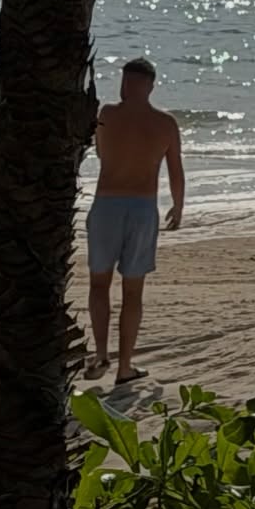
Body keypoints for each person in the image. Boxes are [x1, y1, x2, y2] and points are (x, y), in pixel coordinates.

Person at [84, 57, 185, 385]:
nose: (123, 87)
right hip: (142, 208)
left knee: (99, 284)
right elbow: (175, 169)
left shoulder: (108, 115)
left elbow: (100, 153)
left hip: (106, 206)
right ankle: (124, 366)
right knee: (133, 290)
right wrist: (178, 207)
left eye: (125, 82)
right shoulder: (165, 123)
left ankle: (102, 353)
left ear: (129, 83)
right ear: (151, 86)